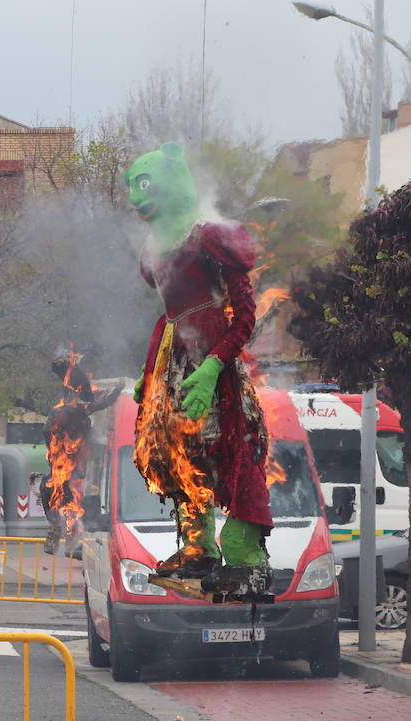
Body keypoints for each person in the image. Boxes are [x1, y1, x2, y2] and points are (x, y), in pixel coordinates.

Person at [125, 143, 274, 597]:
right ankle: (197, 548)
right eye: (132, 187)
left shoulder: (209, 236)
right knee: (174, 453)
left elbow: (244, 319)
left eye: (144, 184)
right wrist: (151, 373)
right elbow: (169, 313)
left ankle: (246, 557)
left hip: (211, 352)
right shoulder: (153, 250)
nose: (136, 197)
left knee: (227, 445)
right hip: (171, 352)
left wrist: (213, 366)